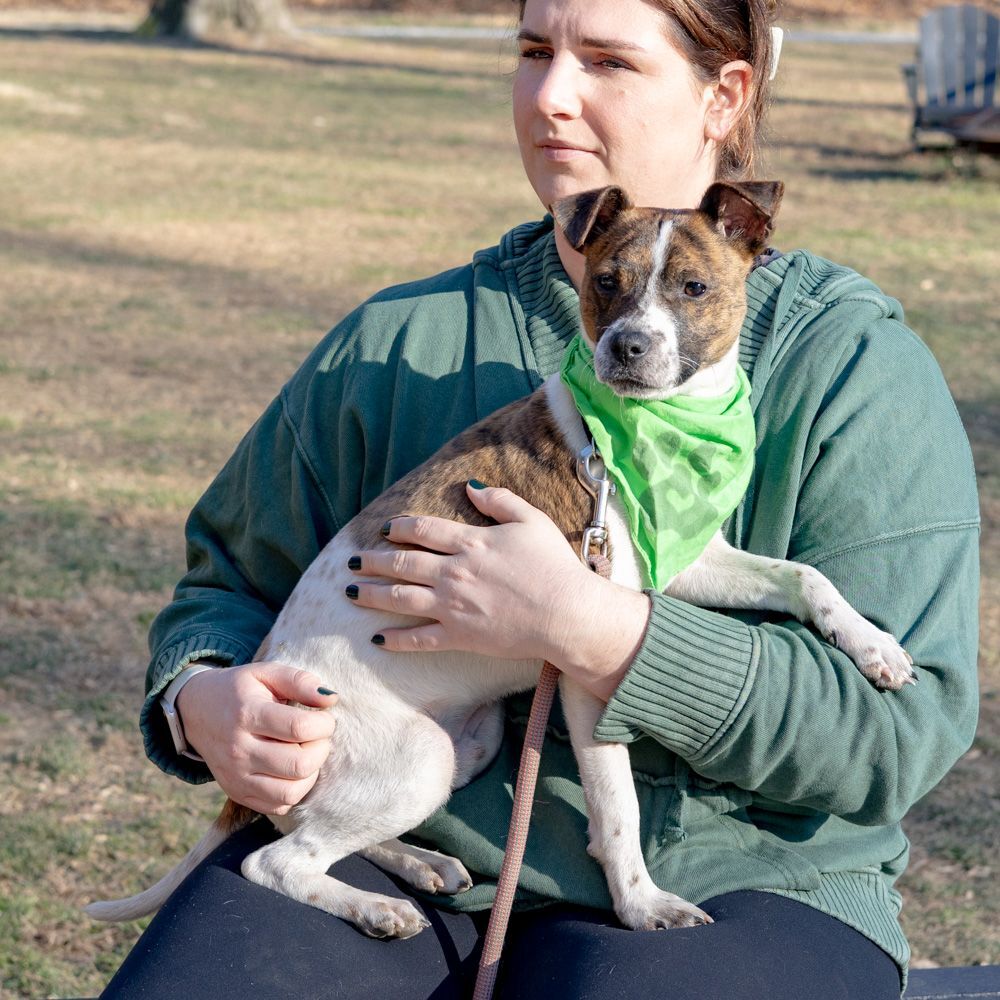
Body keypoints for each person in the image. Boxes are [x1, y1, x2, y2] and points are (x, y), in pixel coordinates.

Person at [99, 0, 980, 997]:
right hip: (397, 827)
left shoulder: (848, 365)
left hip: (742, 878)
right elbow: (224, 585)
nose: (551, 97)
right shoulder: (395, 339)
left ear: (723, 96)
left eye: (606, 60)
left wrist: (606, 634)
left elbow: (903, 729)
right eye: (532, 52)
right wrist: (204, 698)